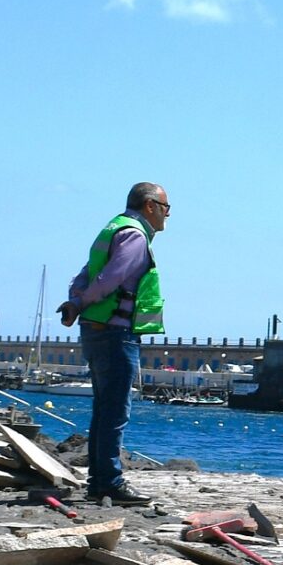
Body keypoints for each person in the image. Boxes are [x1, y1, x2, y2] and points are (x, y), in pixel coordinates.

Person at [56, 181, 170, 505]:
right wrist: (81, 302)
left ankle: (100, 481)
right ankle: (109, 482)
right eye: (166, 208)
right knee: (115, 410)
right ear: (150, 206)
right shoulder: (135, 235)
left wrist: (76, 302)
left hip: (96, 329)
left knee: (104, 408)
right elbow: (110, 278)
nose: (167, 215)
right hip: (115, 332)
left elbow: (85, 274)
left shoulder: (112, 229)